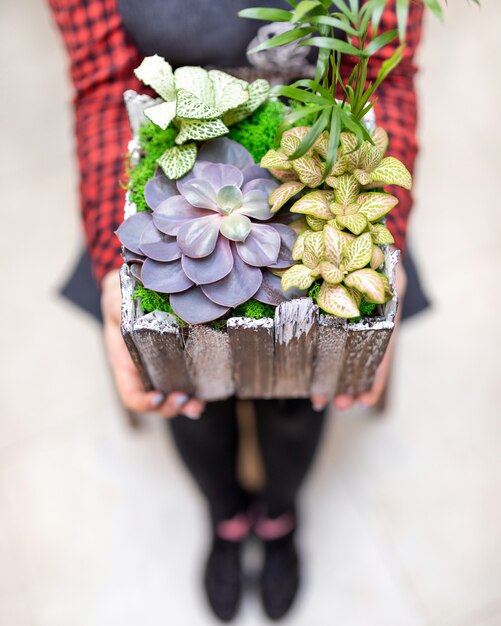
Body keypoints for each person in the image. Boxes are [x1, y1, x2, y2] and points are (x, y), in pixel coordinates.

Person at [49, 0, 428, 620]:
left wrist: (383, 239)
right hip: (171, 160)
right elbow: (102, 85)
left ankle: (278, 513)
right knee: (183, 378)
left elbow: (383, 70)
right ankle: (225, 513)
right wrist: (107, 257)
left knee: (303, 383)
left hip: (318, 153)